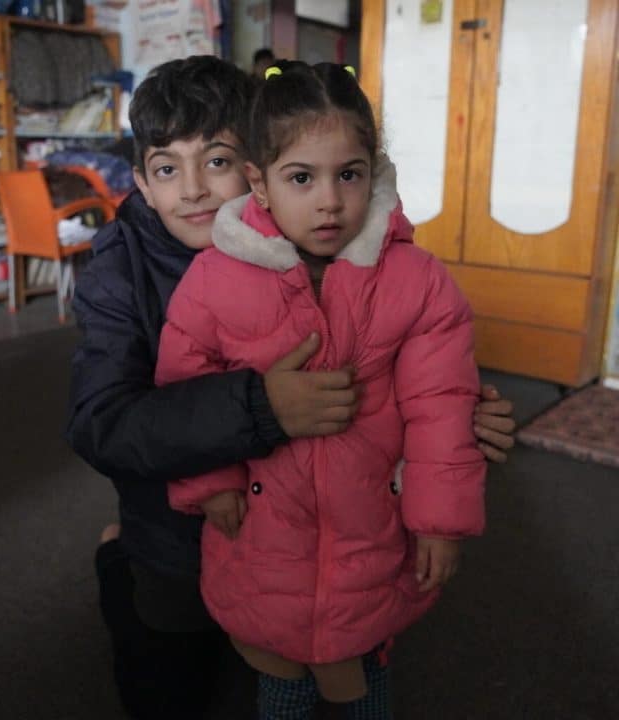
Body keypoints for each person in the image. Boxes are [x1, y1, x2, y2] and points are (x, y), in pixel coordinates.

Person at [66, 55, 515, 719]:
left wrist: (464, 419)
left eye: (216, 160)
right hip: (176, 525)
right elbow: (101, 423)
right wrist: (258, 408)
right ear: (143, 180)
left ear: (256, 169)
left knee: (330, 657)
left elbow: (416, 376)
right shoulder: (120, 269)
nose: (193, 189)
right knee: (169, 693)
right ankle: (118, 557)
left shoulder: (345, 253)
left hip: (308, 532)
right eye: (167, 168)